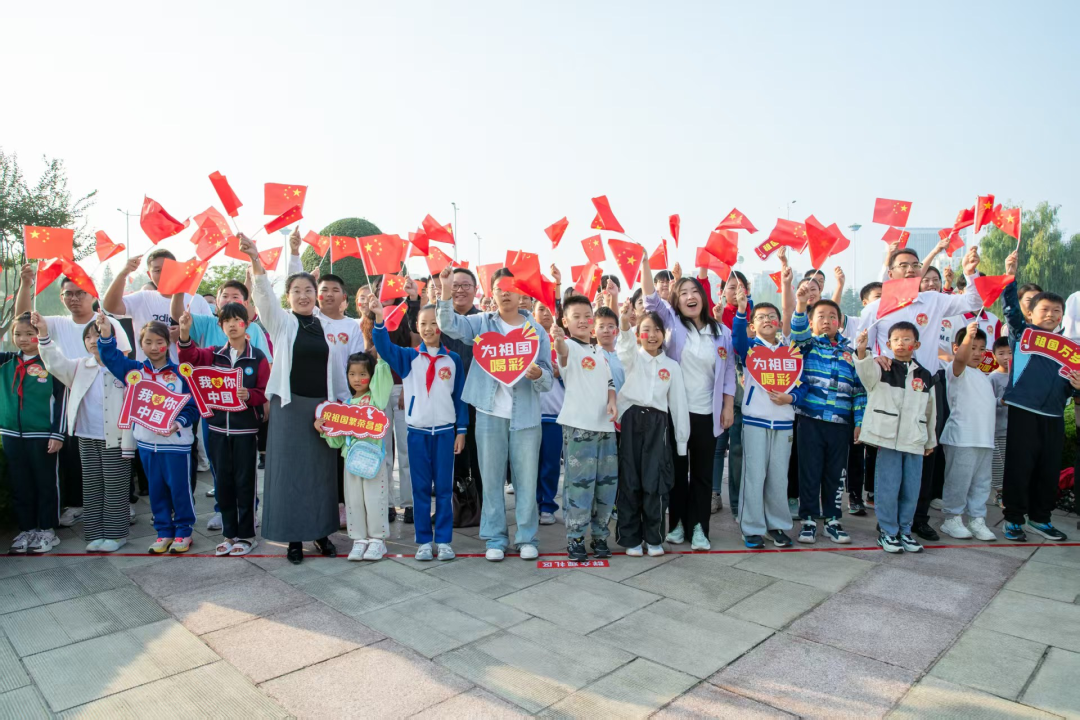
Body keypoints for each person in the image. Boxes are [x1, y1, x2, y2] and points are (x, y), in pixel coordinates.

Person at [859, 243, 983, 542]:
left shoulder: (933, 299)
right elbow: (859, 345)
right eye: (903, 265)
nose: (910, 269)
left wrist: (971, 273)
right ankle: (888, 521)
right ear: (890, 272)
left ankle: (917, 518)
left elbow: (973, 301)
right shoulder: (877, 307)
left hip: (927, 385)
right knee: (890, 455)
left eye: (915, 265)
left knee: (925, 453)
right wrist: (876, 357)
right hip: (890, 387)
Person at [436, 266, 553, 562]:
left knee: (526, 479)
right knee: (490, 478)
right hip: (489, 413)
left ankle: (526, 537)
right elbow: (449, 324)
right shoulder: (481, 323)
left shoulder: (536, 331)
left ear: (521, 293)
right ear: (492, 292)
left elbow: (548, 378)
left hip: (526, 416)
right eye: (500, 289)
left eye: (511, 288)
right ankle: (495, 537)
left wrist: (538, 374)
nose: (506, 294)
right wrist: (446, 290)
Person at [241, 235, 343, 564]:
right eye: (296, 291)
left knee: (321, 474)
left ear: (317, 295)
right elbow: (264, 296)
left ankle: (321, 533)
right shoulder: (282, 322)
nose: (303, 295)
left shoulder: (325, 326)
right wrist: (256, 259)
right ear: (288, 297)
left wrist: (342, 405)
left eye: (308, 290)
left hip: (322, 409)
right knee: (290, 474)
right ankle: (294, 538)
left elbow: (336, 370)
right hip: (288, 407)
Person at [14, 267, 131, 529]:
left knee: (114, 457)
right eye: (69, 294)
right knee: (79, 457)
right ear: (62, 297)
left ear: (93, 296)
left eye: (80, 293)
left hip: (107, 392)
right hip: (71, 390)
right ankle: (80, 506)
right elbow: (24, 319)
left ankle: (121, 508)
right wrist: (26, 284)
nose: (74, 298)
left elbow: (123, 359)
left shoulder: (108, 323)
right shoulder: (57, 323)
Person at [642, 255, 736, 551]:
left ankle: (699, 528)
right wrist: (645, 264)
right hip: (676, 412)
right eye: (683, 293)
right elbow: (650, 299)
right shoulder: (672, 322)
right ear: (676, 300)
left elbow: (729, 372)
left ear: (703, 298)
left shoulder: (722, 333)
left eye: (695, 291)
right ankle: (678, 524)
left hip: (708, 414)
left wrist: (728, 406)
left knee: (703, 474)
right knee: (677, 470)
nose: (689, 296)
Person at [170, 277, 271, 531]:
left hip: (245, 426)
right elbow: (189, 357)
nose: (232, 325)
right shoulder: (214, 353)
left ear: (247, 322)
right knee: (221, 473)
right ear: (220, 323)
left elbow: (263, 389)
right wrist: (184, 332)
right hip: (215, 423)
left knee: (245, 474)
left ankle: (247, 523)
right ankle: (227, 523)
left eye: (238, 320)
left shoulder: (256, 355)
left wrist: (251, 396)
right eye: (227, 321)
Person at [371, 298, 467, 562]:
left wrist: (461, 430)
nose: (428, 328)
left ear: (441, 326)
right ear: (416, 326)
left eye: (434, 323)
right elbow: (384, 347)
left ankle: (444, 540)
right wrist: (378, 319)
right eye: (423, 323)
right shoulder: (409, 357)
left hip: (445, 433)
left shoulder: (452, 360)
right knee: (421, 489)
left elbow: (460, 397)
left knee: (444, 489)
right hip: (417, 434)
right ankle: (424, 541)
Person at [96, 313, 201, 553]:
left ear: (168, 343)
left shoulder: (180, 373)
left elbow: (193, 407)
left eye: (159, 342)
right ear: (140, 345)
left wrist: (178, 424)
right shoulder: (134, 371)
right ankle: (163, 531)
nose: (154, 347)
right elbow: (110, 357)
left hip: (176, 444)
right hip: (146, 444)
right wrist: (106, 333)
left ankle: (184, 531)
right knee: (156, 490)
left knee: (180, 490)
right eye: (148, 342)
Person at [36, 313, 133, 552]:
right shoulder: (80, 365)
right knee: (91, 486)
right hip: (86, 436)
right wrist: (43, 335)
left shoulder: (123, 368)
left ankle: (116, 534)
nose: (92, 340)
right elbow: (54, 363)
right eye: (87, 337)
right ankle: (95, 533)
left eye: (97, 334)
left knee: (115, 487)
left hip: (116, 438)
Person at [1000, 251, 1079, 541]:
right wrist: (1010, 277)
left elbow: (1071, 386)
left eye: (1057, 311)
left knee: (1048, 470)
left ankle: (1040, 518)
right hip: (1024, 409)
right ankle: (1013, 519)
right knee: (1020, 467)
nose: (1051, 314)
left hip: (1054, 414)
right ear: (1031, 313)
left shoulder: (1071, 348)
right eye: (1044, 309)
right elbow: (1010, 308)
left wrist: (1078, 385)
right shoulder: (1022, 334)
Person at [791, 286, 865, 544]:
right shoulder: (806, 347)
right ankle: (809, 520)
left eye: (832, 316)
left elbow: (859, 390)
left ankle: (833, 520)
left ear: (840, 322)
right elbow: (798, 333)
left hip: (840, 424)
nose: (827, 320)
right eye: (820, 316)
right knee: (809, 471)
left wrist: (859, 422)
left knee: (836, 474)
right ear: (811, 322)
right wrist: (801, 305)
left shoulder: (851, 353)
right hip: (810, 421)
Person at [854, 322, 936, 553]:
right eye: (896, 339)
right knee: (888, 487)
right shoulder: (882, 368)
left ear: (916, 344)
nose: (901, 343)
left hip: (914, 440)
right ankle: (888, 532)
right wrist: (862, 350)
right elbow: (865, 373)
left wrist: (930, 440)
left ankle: (905, 531)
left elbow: (931, 411)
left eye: (907, 339)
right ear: (889, 344)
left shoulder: (925, 375)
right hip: (887, 438)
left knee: (911, 489)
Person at [732, 292, 805, 549]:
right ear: (753, 325)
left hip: (784, 422)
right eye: (761, 317)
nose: (767, 320)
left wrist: (791, 398)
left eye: (772, 316)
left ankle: (777, 526)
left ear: (779, 322)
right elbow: (737, 338)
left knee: (778, 477)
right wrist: (741, 312)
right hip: (755, 421)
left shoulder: (791, 351)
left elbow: (803, 384)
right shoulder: (750, 348)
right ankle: (751, 528)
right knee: (754, 475)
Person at [614, 305, 689, 556]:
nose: (652, 335)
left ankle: (654, 537)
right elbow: (624, 347)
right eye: (646, 330)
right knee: (630, 480)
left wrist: (681, 441)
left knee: (655, 481)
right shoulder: (632, 357)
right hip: (632, 421)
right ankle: (631, 538)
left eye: (657, 330)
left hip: (659, 425)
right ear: (639, 335)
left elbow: (678, 404)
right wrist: (625, 323)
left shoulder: (672, 366)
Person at [553, 295, 618, 561]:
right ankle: (576, 538)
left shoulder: (599, 351)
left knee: (606, 486)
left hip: (606, 429)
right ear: (565, 322)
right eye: (576, 317)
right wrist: (558, 338)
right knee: (579, 486)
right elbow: (561, 351)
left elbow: (610, 383)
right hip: (579, 428)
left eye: (587, 316)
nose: (583, 321)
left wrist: (612, 401)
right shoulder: (568, 346)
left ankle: (600, 536)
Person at [318, 351, 393, 561]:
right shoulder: (345, 405)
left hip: (373, 460)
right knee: (354, 501)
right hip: (351, 461)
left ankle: (377, 541)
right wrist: (324, 429)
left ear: (372, 376)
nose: (357, 379)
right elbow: (337, 441)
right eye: (352, 374)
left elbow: (383, 379)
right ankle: (359, 540)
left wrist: (381, 359)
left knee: (374, 499)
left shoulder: (376, 399)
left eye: (363, 374)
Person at [1, 313, 66, 554]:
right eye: (17, 334)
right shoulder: (6, 361)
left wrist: (57, 434)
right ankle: (27, 529)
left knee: (46, 483)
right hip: (10, 435)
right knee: (20, 484)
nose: (23, 339)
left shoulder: (52, 363)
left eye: (30, 334)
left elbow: (62, 400)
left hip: (42, 435)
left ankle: (47, 530)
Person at [938, 323, 997, 541]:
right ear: (958, 348)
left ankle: (976, 519)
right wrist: (967, 337)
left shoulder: (984, 376)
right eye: (973, 348)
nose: (978, 353)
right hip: (961, 438)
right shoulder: (956, 370)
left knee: (981, 484)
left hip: (984, 440)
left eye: (982, 349)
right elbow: (960, 359)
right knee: (958, 482)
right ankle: (951, 519)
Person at [434, 267, 484, 506]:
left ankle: (483, 507)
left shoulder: (485, 322)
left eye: (466, 285)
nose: (460, 290)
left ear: (475, 289)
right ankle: (454, 508)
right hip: (445, 398)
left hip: (478, 399)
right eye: (455, 285)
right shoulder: (439, 322)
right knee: (450, 456)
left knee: (480, 456)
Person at [845, 281, 883, 515]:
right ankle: (854, 495)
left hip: (883, 398)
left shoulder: (894, 334)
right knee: (857, 450)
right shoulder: (858, 330)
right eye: (878, 297)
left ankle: (873, 492)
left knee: (878, 449)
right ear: (865, 302)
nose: (884, 301)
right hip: (859, 402)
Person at [533, 296, 564, 526]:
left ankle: (547, 505)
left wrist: (561, 373)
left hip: (555, 414)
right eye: (541, 309)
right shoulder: (525, 341)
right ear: (533, 314)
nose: (545, 313)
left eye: (549, 309)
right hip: (530, 413)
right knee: (530, 464)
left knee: (551, 464)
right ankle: (532, 502)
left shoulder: (564, 343)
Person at [989, 336, 1012, 507]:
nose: (1006, 357)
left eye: (1010, 353)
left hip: (1015, 429)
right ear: (994, 355)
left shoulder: (1018, 376)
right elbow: (987, 402)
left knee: (1011, 464)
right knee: (998, 464)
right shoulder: (993, 378)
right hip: (998, 429)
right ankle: (999, 493)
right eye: (1001, 353)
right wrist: (1001, 401)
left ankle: (1010, 493)